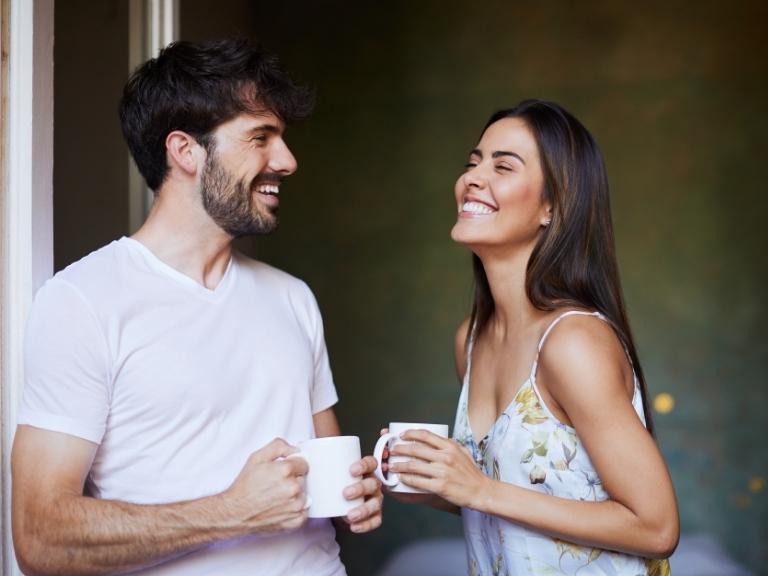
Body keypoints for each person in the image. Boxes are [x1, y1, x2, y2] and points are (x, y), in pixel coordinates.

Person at [11, 38, 382, 576]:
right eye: (261, 137)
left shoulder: (293, 297)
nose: (287, 160)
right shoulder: (81, 302)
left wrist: (358, 494)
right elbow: (40, 538)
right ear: (186, 151)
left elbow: (328, 473)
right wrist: (230, 514)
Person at [384, 100, 678, 575]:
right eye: (473, 161)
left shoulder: (573, 342)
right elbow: (523, 499)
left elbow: (656, 527)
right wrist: (433, 483)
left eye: (503, 166)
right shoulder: (472, 341)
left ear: (552, 206)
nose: (473, 178)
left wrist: (477, 488)